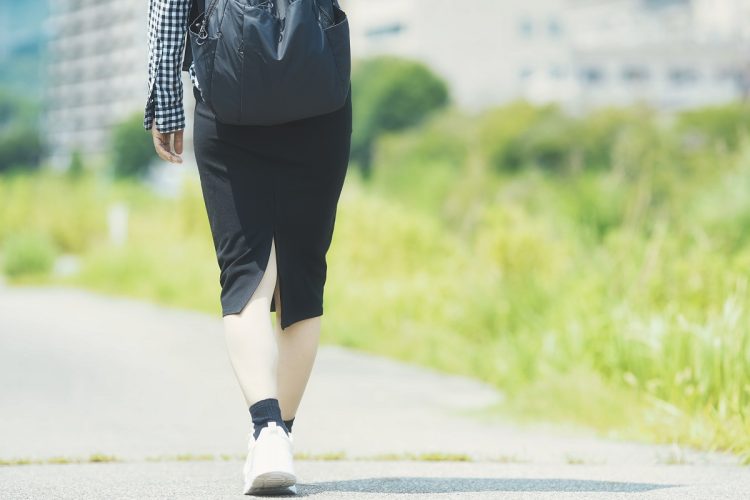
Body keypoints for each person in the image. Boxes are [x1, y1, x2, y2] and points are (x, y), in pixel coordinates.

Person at [143, 0, 352, 495]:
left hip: (228, 94)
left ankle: (268, 431)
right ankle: (278, 439)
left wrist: (166, 102)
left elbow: (169, 10)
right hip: (317, 89)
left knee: (247, 273)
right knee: (302, 278)